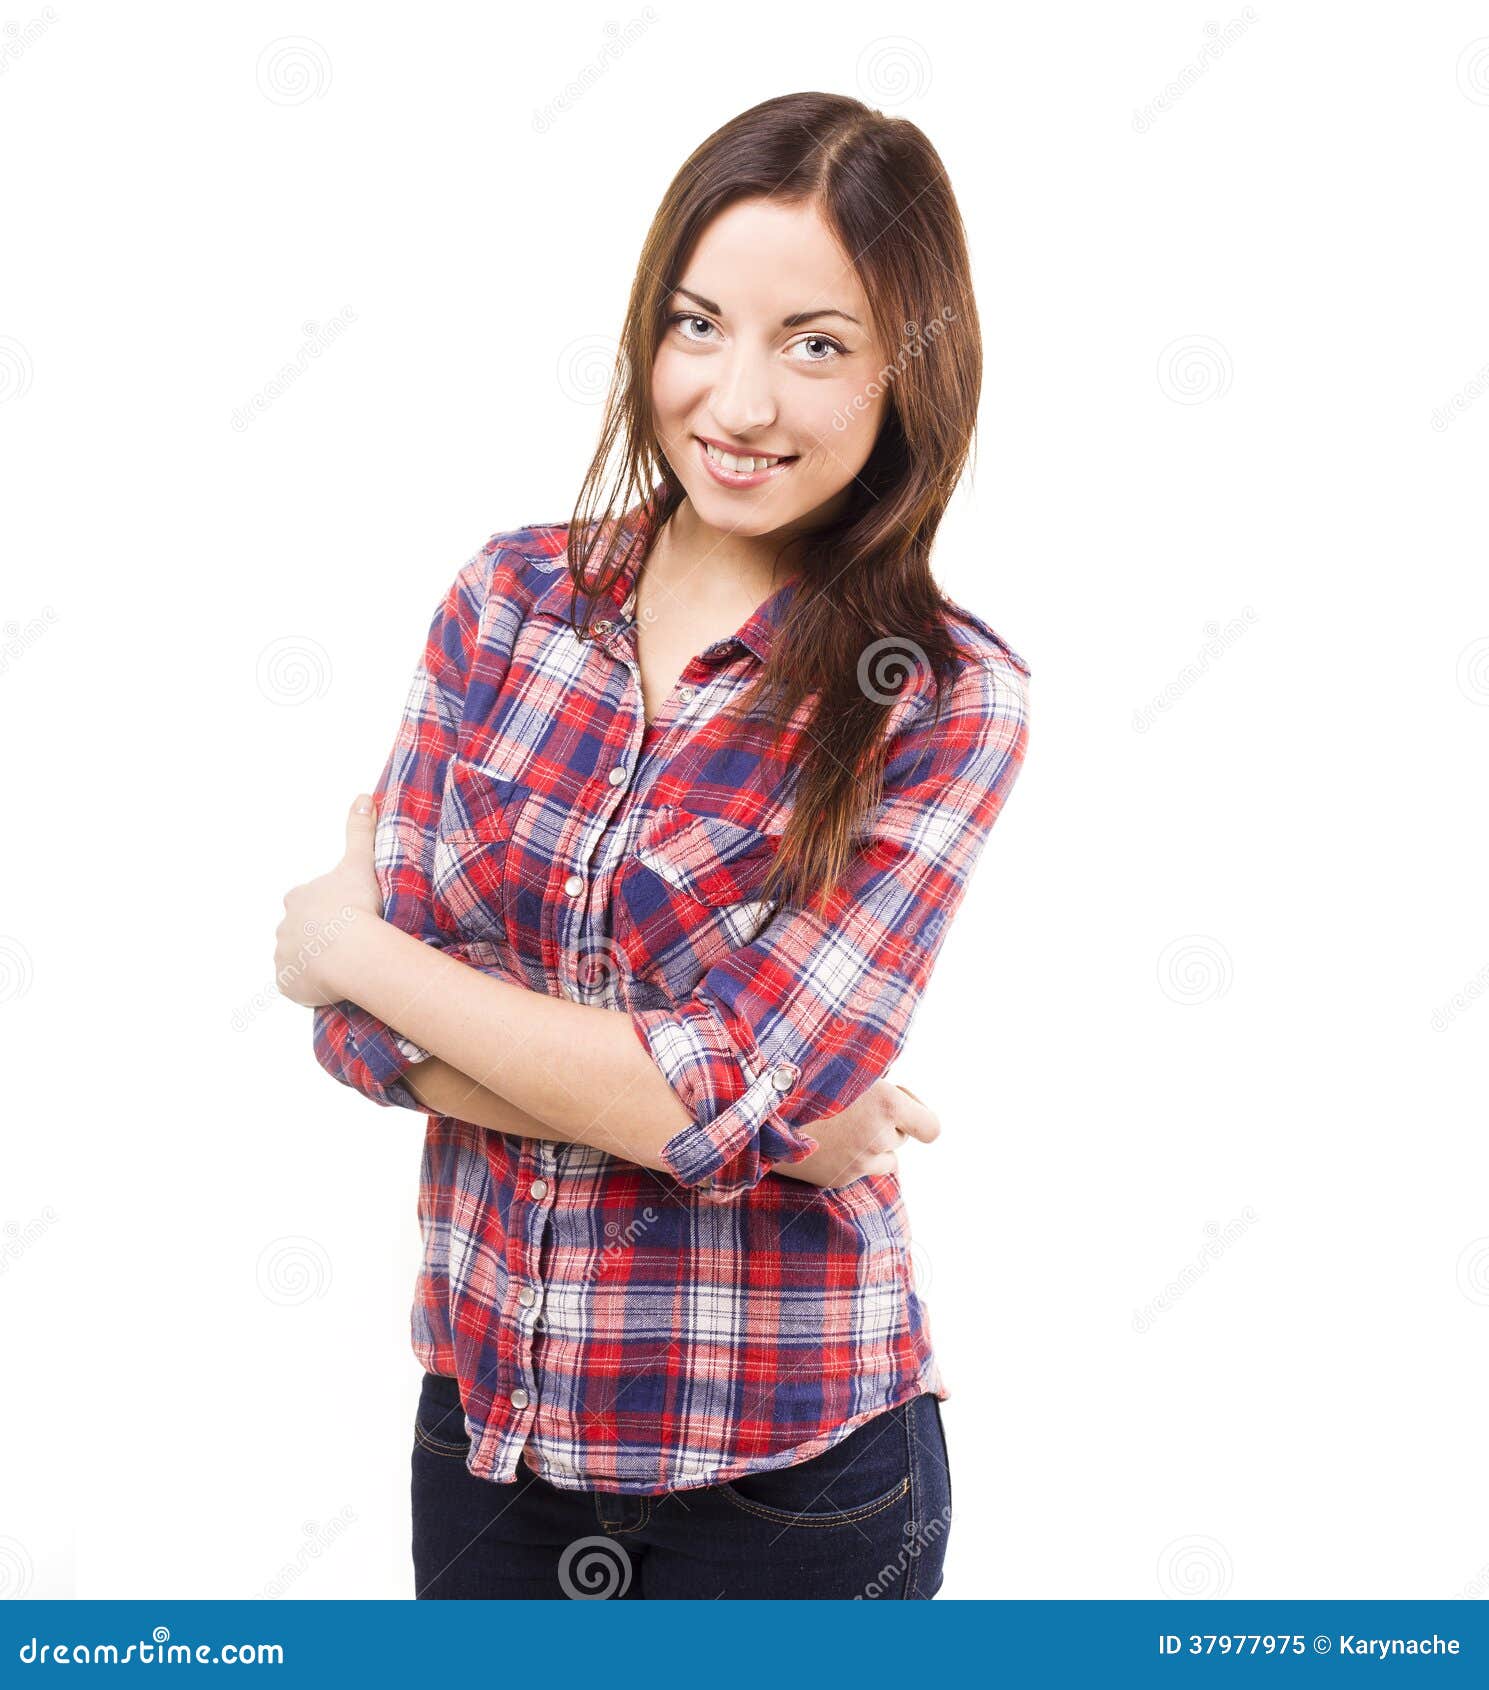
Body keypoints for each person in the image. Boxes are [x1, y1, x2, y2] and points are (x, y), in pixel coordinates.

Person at [274, 89, 1032, 1600]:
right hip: (486, 1440)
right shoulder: (509, 601)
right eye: (699, 326)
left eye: (815, 343)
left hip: (791, 1486)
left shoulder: (943, 698)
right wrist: (743, 1121)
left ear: (907, 370)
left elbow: (701, 1088)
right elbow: (362, 1046)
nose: (738, 403)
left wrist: (351, 947)